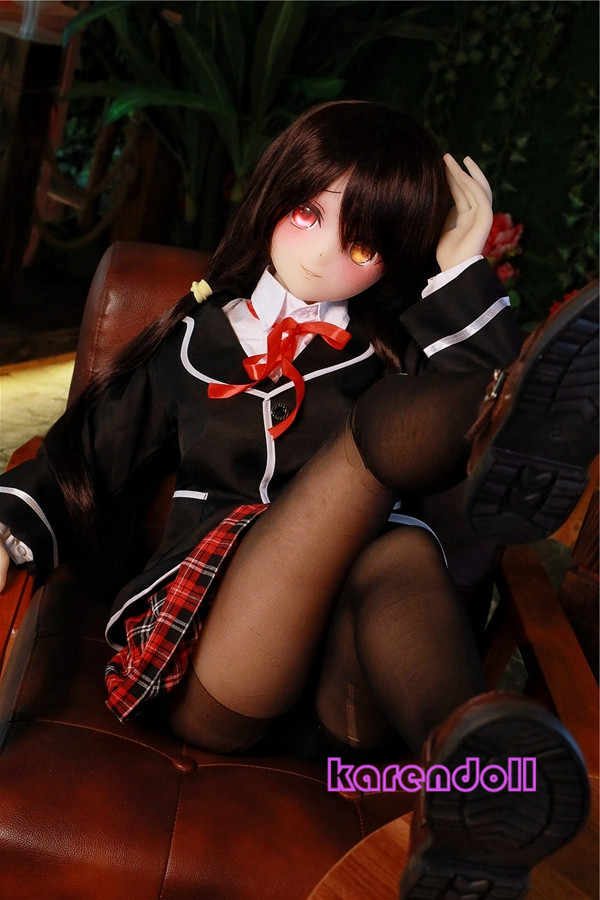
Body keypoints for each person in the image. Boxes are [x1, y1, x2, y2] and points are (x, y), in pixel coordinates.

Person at [0, 101, 596, 899]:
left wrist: (460, 262)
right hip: (221, 669)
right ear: (274, 196)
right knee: (378, 444)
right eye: (309, 214)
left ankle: (480, 790)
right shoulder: (192, 342)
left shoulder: (388, 350)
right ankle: (504, 405)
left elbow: (455, 438)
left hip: (348, 704)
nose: (322, 253)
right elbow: (78, 456)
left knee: (401, 541)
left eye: (362, 243)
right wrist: (6, 528)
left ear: (391, 261)